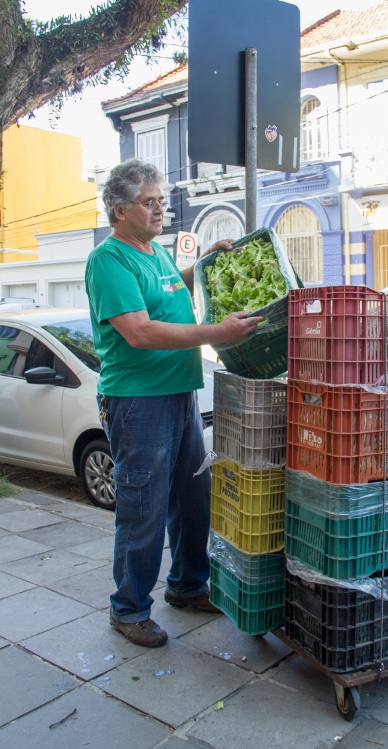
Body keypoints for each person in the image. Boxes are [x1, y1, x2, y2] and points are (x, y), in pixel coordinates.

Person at [85, 158, 263, 648]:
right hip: (138, 402)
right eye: (149, 202)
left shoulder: (154, 252)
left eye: (162, 199)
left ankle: (187, 585)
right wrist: (218, 333)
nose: (161, 208)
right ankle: (129, 609)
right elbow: (139, 330)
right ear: (119, 210)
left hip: (180, 395)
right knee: (142, 507)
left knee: (192, 500)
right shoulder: (109, 261)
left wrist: (204, 263)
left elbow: (169, 289)